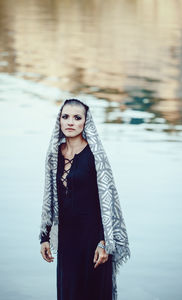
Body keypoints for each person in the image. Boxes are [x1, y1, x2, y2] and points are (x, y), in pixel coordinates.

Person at [39, 98, 130, 300]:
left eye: (77, 117)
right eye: (66, 117)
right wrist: (44, 237)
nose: (70, 122)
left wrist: (104, 242)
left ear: (85, 122)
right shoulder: (54, 154)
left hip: (94, 241)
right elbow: (50, 198)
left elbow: (107, 204)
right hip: (66, 240)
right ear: (59, 121)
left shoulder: (95, 155)